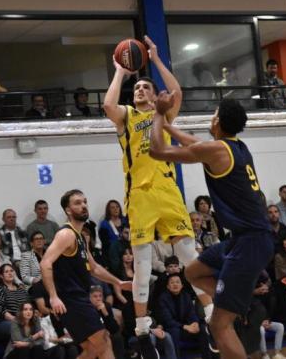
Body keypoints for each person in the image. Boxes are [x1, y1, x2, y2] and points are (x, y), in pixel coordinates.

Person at [103, 36, 214, 357]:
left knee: (189, 256)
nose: (140, 91)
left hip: (167, 192)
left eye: (145, 88)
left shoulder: (163, 116)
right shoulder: (127, 116)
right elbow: (109, 106)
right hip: (139, 195)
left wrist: (156, 59)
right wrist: (121, 72)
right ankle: (140, 329)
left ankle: (210, 317)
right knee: (141, 264)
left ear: (154, 96)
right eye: (137, 89)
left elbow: (177, 92)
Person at [149, 95, 274, 359]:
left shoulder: (217, 150)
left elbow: (157, 151)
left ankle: (232, 305)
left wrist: (159, 115)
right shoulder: (237, 147)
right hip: (243, 240)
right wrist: (170, 127)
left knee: (218, 324)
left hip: (250, 243)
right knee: (193, 272)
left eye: (214, 112)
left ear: (217, 120)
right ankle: (234, 301)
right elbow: (196, 144)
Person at [39, 189, 132, 359]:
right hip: (70, 300)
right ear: (68, 210)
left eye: (84, 202)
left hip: (78, 298)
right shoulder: (66, 234)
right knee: (103, 341)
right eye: (77, 203)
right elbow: (45, 263)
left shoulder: (80, 237)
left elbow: (95, 268)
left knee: (92, 349)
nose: (83, 206)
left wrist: (117, 282)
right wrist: (53, 296)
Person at [156, 274, 211, 359]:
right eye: (172, 282)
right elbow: (167, 320)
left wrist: (195, 323)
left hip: (186, 327)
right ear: (167, 286)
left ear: (182, 285)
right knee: (174, 331)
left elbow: (191, 313)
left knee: (202, 328)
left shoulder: (186, 295)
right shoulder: (163, 298)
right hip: (172, 327)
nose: (175, 284)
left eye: (178, 282)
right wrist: (185, 327)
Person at [0, 263, 30, 340]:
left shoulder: (21, 290)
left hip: (19, 320)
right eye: (6, 272)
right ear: (1, 276)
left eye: (11, 271)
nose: (10, 273)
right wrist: (17, 320)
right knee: (15, 327)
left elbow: (28, 306)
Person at [98, 199, 128, 264]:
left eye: (117, 207)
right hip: (112, 254)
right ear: (108, 210)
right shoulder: (104, 224)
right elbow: (105, 245)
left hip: (128, 251)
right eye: (112, 207)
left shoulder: (126, 220)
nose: (116, 209)